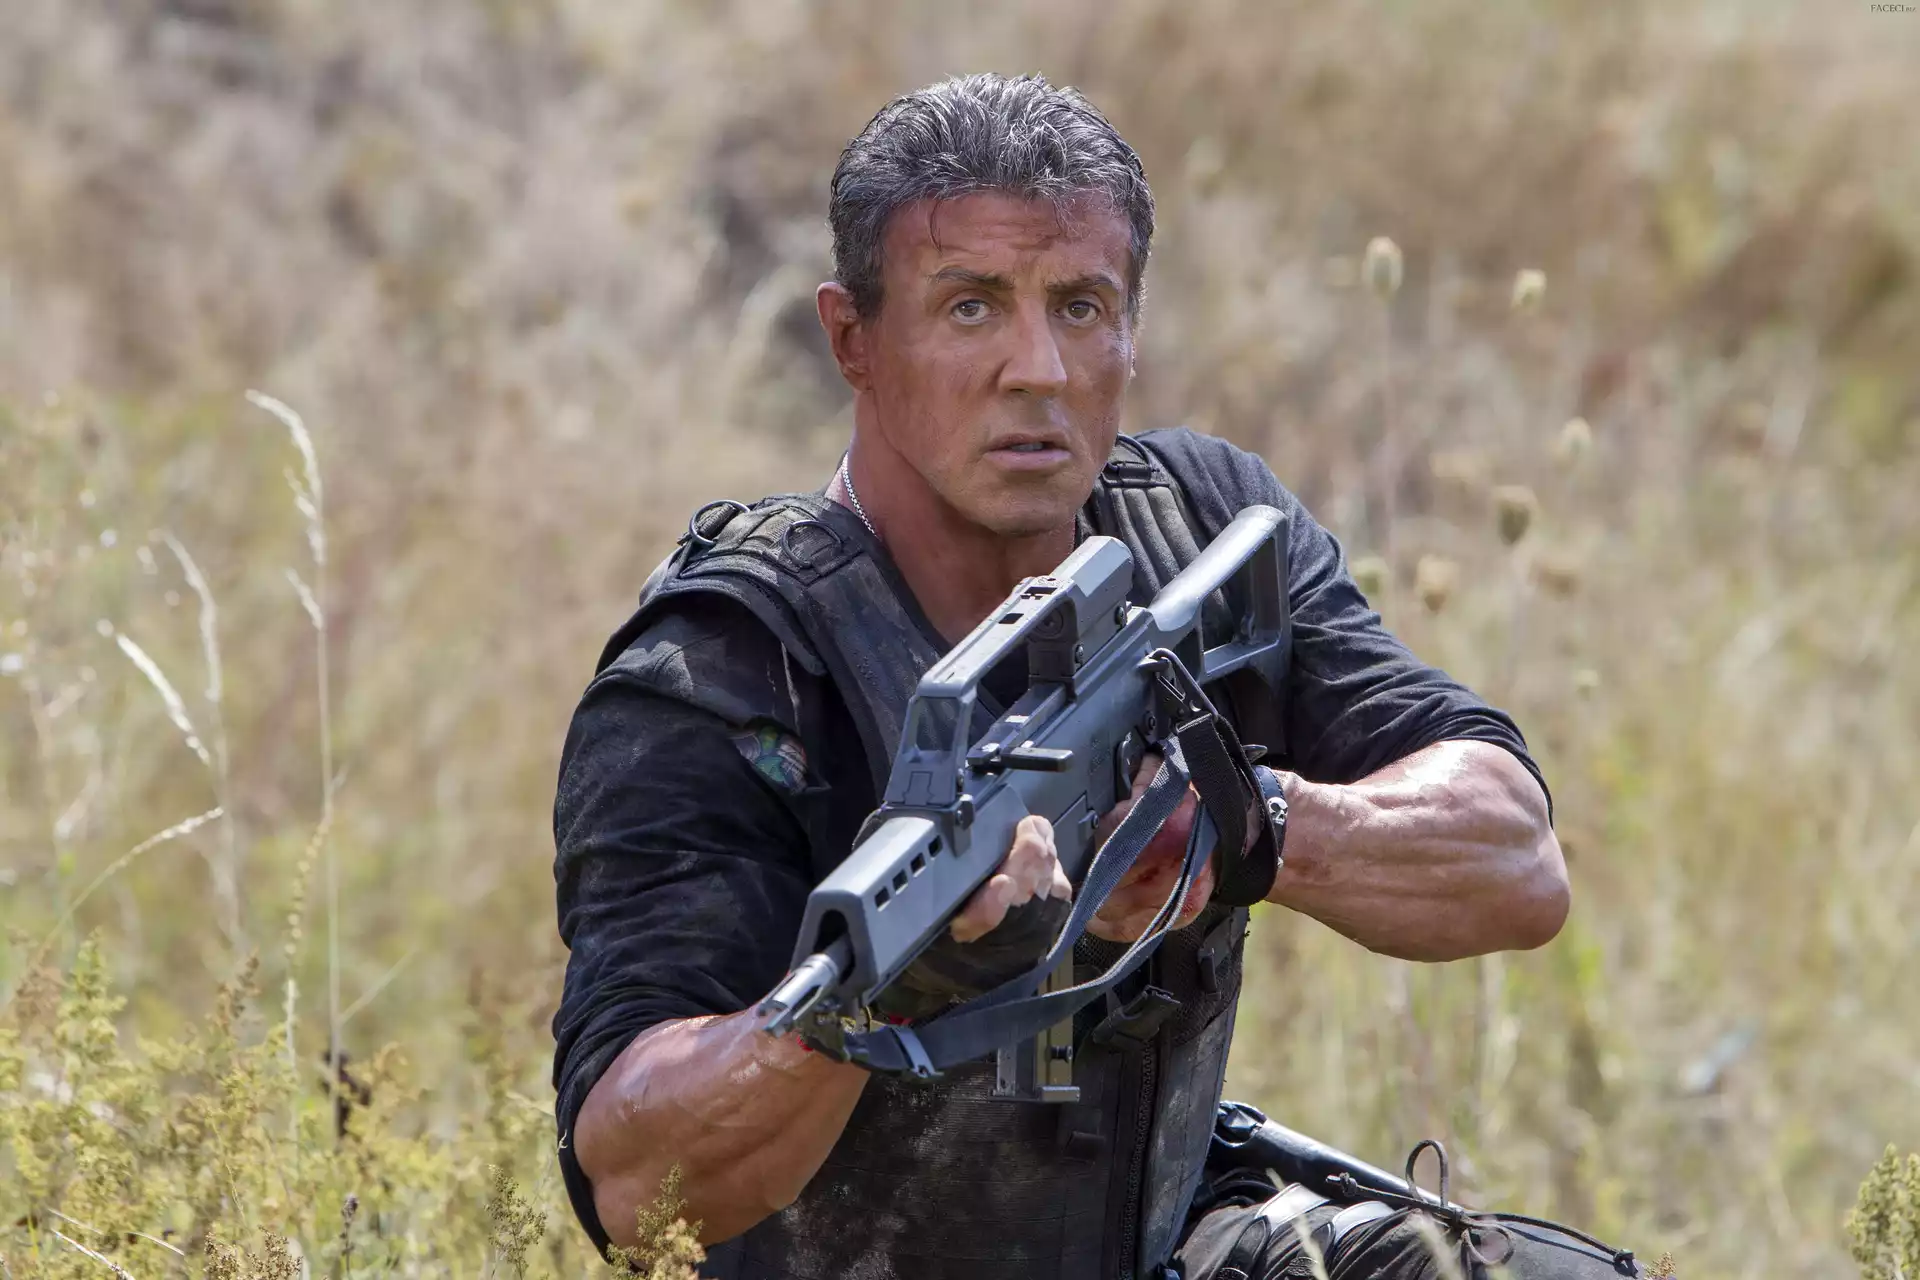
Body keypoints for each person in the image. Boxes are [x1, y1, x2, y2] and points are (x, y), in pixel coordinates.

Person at [552, 73, 1642, 1280]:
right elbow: (633, 1178)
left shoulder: (1198, 527)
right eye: (970, 307)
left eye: (1080, 306)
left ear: (1132, 331)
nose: (1039, 367)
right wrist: (877, 1002)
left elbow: (1517, 861)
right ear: (853, 339)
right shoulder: (727, 668)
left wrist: (1242, 826)